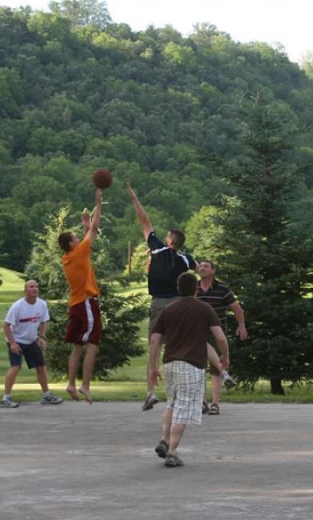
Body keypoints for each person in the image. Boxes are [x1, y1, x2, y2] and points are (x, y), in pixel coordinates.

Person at [127, 185, 235, 411]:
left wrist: (135, 197)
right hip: (180, 303)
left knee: (155, 344)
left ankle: (150, 393)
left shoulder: (156, 249)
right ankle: (222, 372)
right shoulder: (186, 259)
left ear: (169, 241)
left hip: (160, 304)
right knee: (196, 342)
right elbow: (202, 271)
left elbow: (145, 222)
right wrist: (207, 288)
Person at [149, 272, 229, 467]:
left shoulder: (168, 310)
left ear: (178, 288)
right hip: (192, 364)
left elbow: (155, 340)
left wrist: (153, 367)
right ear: (197, 288)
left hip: (170, 363)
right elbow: (219, 337)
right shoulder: (204, 308)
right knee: (183, 408)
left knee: (172, 403)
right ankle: (172, 452)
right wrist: (224, 356)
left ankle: (164, 440)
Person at [57, 189, 103, 404]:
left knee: (77, 346)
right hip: (86, 303)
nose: (79, 237)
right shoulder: (78, 252)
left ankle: (70, 383)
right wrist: (98, 204)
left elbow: (87, 239)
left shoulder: (67, 259)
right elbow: (95, 230)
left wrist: (85, 228)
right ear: (72, 245)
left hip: (75, 305)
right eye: (76, 238)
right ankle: (85, 384)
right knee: (93, 344)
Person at [196, 260, 248, 416]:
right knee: (199, 368)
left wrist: (242, 325)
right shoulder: (194, 288)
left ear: (213, 271)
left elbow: (236, 307)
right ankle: (202, 402)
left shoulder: (222, 288)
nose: (201, 268)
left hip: (217, 333)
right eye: (200, 266)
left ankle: (215, 404)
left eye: (206, 266)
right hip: (197, 333)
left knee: (216, 368)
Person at [0, 280, 63, 408]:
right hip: (16, 340)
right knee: (16, 366)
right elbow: (6, 326)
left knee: (41, 366)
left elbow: (43, 322)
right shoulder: (17, 306)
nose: (34, 289)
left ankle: (47, 395)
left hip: (31, 340)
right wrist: (12, 343)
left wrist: (42, 337)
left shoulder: (42, 304)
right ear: (26, 290)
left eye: (36, 287)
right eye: (31, 287)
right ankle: (6, 398)